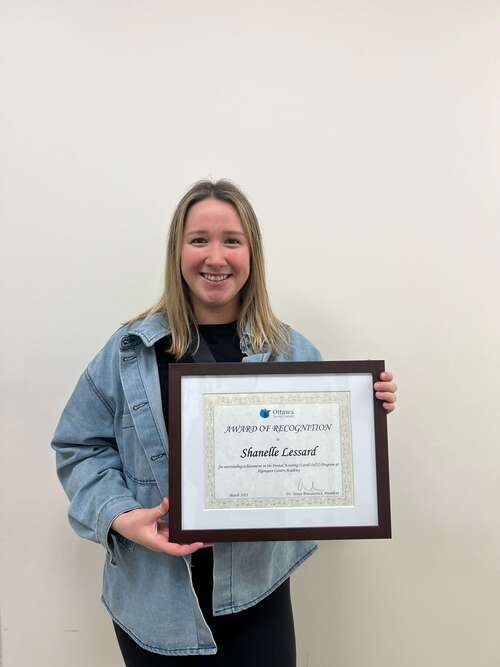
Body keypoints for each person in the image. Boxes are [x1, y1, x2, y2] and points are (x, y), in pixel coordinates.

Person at [51, 179, 397, 666]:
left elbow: (330, 453)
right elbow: (79, 446)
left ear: (252, 253)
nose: (216, 257)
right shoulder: (129, 351)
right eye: (199, 240)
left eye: (231, 240)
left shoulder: (290, 352)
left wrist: (366, 408)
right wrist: (122, 518)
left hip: (258, 596)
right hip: (154, 603)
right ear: (178, 251)